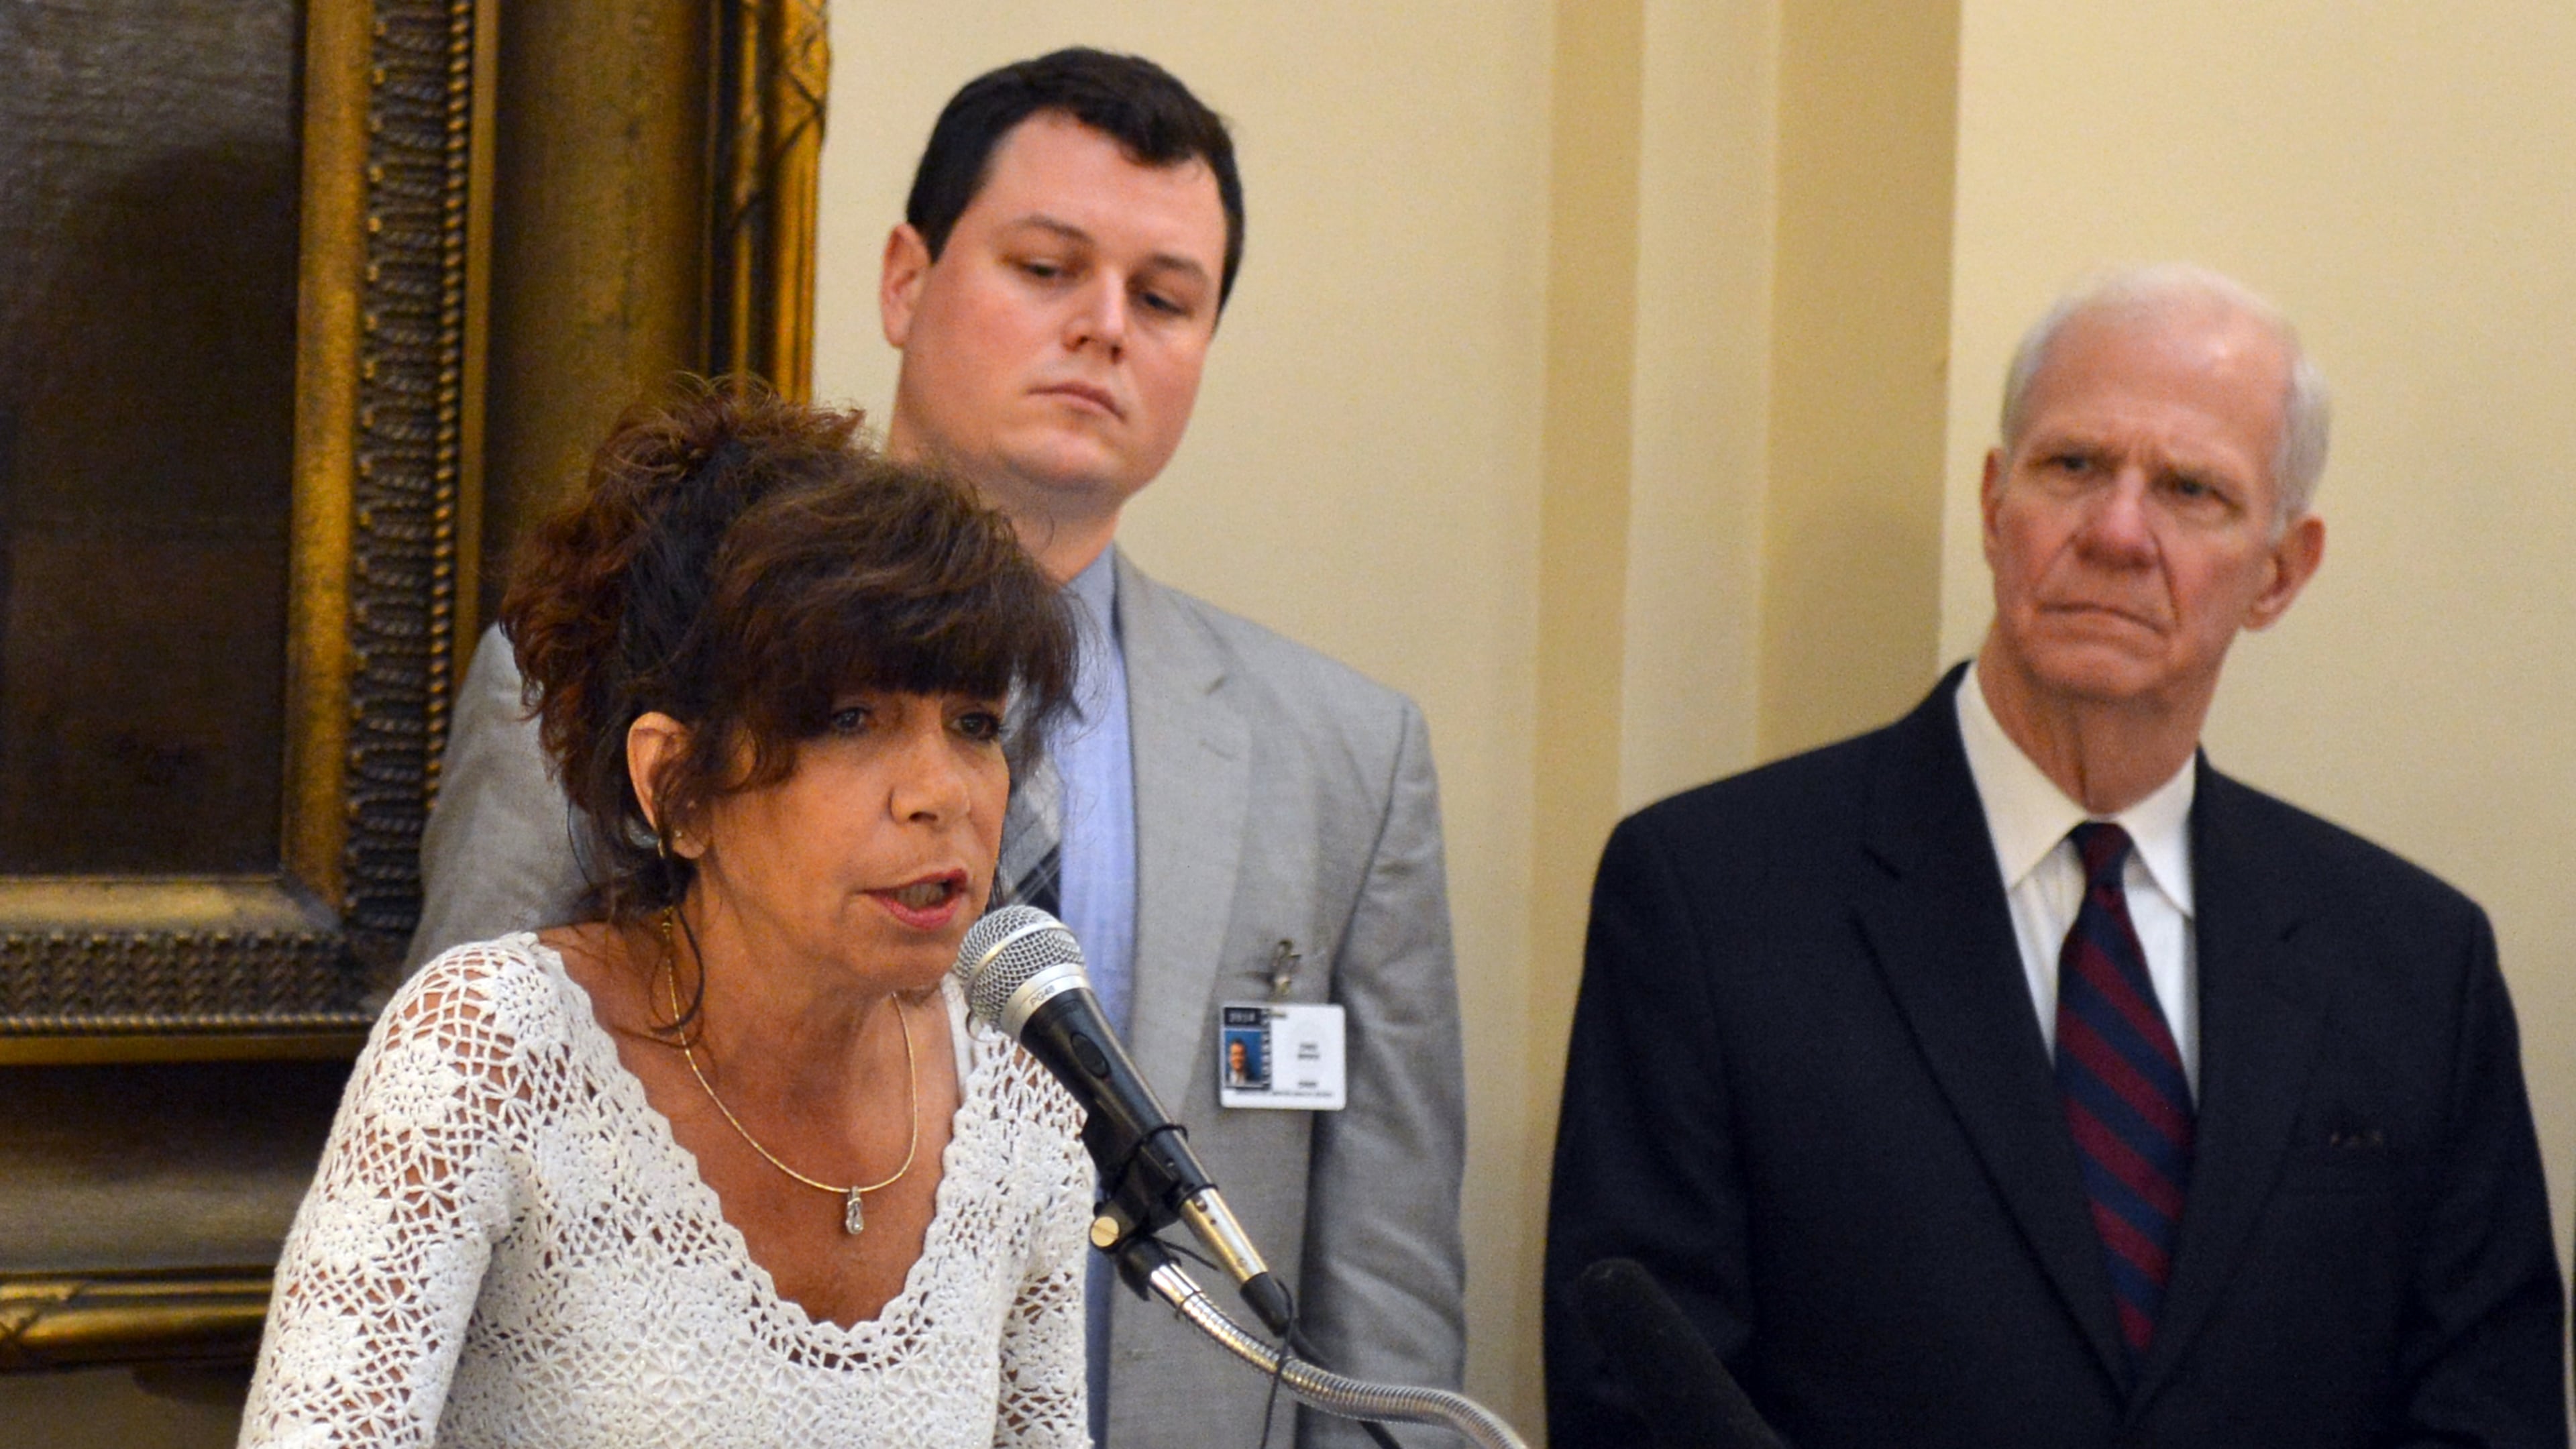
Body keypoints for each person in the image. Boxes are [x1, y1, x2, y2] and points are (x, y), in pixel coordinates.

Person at [402, 49, 1466, 1448]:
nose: (1103, 329)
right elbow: (447, 1179)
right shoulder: (625, 658)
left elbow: (1378, 1304)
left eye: (1163, 298)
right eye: (1045, 268)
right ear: (906, 280)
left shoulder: (1347, 755)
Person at [1544, 266, 2565, 1448]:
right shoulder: (1710, 900)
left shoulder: (2413, 965)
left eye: (2191, 490)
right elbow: (1641, 1402)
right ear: (1993, 504)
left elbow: (2492, 1413)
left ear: (2283, 572)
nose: (2118, 532)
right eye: (2073, 467)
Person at [242, 384, 1091, 1446]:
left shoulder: (1023, 1108)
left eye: (974, 723)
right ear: (676, 786)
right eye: (851, 720)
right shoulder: (486, 1055)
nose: (942, 792)